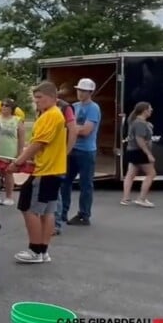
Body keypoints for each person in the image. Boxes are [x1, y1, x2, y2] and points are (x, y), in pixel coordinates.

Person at [7, 81, 67, 264]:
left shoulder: (51, 115)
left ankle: (35, 249)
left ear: (51, 97)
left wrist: (18, 162)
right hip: (54, 169)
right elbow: (41, 145)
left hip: (45, 171)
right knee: (47, 211)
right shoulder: (54, 115)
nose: (37, 101)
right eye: (36, 98)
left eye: (40, 98)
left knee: (28, 208)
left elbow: (38, 143)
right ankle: (43, 250)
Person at [57, 78, 101, 231]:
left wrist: (72, 128)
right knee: (64, 182)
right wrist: (74, 128)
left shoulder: (93, 108)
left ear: (90, 92)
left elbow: (86, 131)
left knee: (85, 184)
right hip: (72, 148)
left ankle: (84, 215)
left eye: (84, 91)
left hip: (86, 151)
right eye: (79, 90)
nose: (80, 93)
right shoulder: (74, 106)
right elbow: (66, 127)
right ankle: (62, 213)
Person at [121, 101, 157, 208]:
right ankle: (141, 199)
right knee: (151, 174)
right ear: (144, 110)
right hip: (139, 152)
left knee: (130, 175)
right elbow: (140, 140)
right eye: (150, 108)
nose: (151, 110)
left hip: (131, 151)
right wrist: (148, 154)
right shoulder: (140, 123)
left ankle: (125, 198)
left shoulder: (134, 121)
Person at [0, 99, 24, 205]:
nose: (3, 107)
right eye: (2, 105)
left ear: (12, 108)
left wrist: (20, 154)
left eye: (6, 106)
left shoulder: (17, 120)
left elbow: (21, 139)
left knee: (8, 174)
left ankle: (9, 197)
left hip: (10, 152)